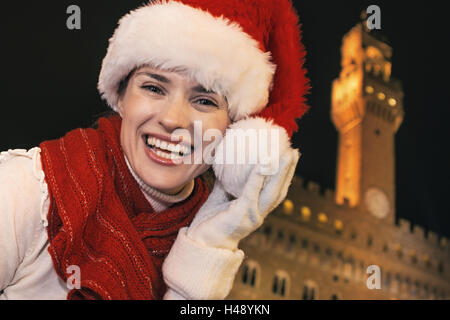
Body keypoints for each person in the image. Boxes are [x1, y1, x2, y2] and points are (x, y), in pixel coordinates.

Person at [0, 0, 309, 300]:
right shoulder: (24, 190)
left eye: (204, 101)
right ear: (121, 97)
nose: (172, 119)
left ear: (234, 131)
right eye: (153, 88)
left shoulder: (208, 241)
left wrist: (208, 246)